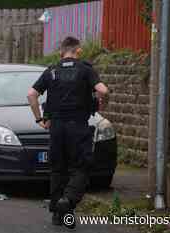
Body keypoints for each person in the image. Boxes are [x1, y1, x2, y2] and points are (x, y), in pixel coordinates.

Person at [27, 37, 108, 228]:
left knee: (57, 170)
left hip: (56, 128)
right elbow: (103, 91)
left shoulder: (51, 70)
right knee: (81, 167)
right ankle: (68, 200)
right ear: (78, 51)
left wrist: (39, 119)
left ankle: (59, 214)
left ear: (61, 52)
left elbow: (31, 94)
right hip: (78, 127)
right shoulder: (85, 69)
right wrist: (104, 102)